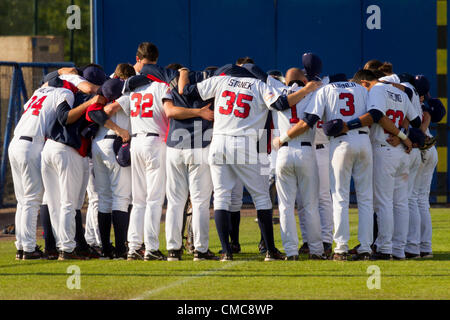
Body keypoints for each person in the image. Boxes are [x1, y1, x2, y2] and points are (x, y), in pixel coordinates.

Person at [183, 65, 321, 261]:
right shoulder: (258, 84)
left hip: (219, 141)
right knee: (262, 197)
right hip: (244, 143)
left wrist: (182, 75)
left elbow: (189, 91)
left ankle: (225, 252)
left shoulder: (222, 80)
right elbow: (281, 104)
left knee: (221, 197)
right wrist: (306, 90)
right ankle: (270, 251)